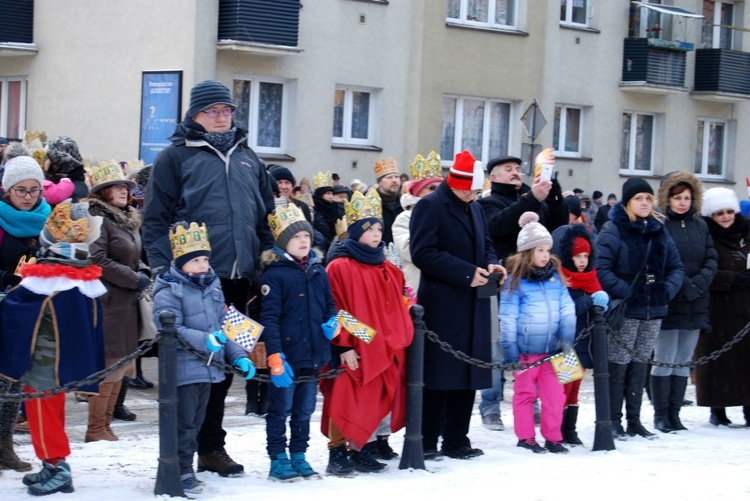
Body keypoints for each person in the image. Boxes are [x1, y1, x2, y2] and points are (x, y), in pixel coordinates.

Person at [143, 79, 275, 477]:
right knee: (193, 372)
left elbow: (265, 217)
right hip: (194, 283)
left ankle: (210, 447)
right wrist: (165, 271)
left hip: (239, 281)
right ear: (194, 116)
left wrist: (266, 258)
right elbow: (154, 221)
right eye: (212, 111)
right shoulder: (176, 157)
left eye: (227, 110)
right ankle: (181, 452)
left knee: (222, 368)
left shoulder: (250, 157)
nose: (221, 117)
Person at [0, 200, 106, 496]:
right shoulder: (77, 279)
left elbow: (18, 306)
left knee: (42, 413)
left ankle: (57, 466)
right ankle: (51, 464)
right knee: (46, 412)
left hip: (45, 362)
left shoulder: (52, 280)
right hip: (55, 361)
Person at [410, 150, 505, 460]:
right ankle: (427, 441)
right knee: (440, 376)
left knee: (468, 372)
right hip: (444, 303)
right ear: (458, 184)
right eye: (472, 189)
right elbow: (423, 253)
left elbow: (486, 244)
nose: (475, 195)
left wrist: (492, 265)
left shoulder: (474, 208)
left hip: (474, 301)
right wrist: (466, 273)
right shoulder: (430, 206)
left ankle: (456, 438)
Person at [153, 222, 254, 495]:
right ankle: (180, 469)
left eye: (205, 259)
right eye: (195, 260)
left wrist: (238, 356)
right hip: (184, 368)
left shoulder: (213, 287)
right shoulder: (170, 290)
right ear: (181, 262)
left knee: (197, 422)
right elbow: (170, 326)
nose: (202, 265)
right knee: (184, 423)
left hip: (210, 370)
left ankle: (187, 465)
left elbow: (226, 327)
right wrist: (204, 340)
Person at [321, 189, 414, 475]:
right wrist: (350, 344)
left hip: (383, 346)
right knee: (344, 396)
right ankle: (336, 451)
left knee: (373, 398)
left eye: (378, 228)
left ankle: (358, 449)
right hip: (354, 347)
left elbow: (394, 307)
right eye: (369, 229)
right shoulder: (339, 266)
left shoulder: (389, 269)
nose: (375, 233)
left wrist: (388, 340)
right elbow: (336, 309)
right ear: (354, 232)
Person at [476, 154, 567, 432]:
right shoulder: (486, 203)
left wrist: (554, 191)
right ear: (494, 177)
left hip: (531, 286)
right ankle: (490, 406)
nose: (516, 173)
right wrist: (530, 199)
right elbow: (498, 225)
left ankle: (532, 400)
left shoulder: (531, 199)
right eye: (508, 169)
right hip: (499, 285)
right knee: (495, 349)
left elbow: (558, 223)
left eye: (518, 168)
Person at [595, 177, 684, 439]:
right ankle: (613, 420)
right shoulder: (614, 229)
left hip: (653, 310)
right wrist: (628, 293)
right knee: (619, 364)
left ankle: (634, 420)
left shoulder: (660, 229)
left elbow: (676, 267)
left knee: (639, 365)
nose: (644, 203)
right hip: (626, 311)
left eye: (647, 198)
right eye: (638, 199)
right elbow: (602, 269)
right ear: (627, 203)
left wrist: (664, 292)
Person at [259, 205, 337, 482]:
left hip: (313, 354)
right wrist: (275, 356)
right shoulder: (274, 275)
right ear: (283, 244)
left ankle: (299, 455)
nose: (304, 241)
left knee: (304, 411)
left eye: (306, 235)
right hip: (287, 357)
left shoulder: (319, 270)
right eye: (296, 238)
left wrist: (331, 322)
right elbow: (270, 318)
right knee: (281, 410)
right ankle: (278, 458)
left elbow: (329, 304)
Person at [85, 161, 151, 441]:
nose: (124, 190)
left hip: (128, 302)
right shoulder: (99, 219)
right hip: (108, 303)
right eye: (117, 186)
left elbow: (136, 257)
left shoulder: (127, 218)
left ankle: (106, 424)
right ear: (102, 192)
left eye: (126, 185)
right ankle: (96, 428)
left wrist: (144, 272)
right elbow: (97, 259)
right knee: (110, 366)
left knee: (122, 365)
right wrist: (133, 278)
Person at [501, 212, 576, 454]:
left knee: (555, 396)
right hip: (526, 351)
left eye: (547, 250)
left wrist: (566, 338)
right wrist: (510, 350)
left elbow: (567, 309)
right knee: (525, 394)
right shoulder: (515, 281)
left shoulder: (556, 279)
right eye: (539, 250)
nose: (545, 255)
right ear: (527, 252)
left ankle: (553, 437)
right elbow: (507, 317)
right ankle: (526, 437)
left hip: (555, 351)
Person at [650, 172, 717, 433]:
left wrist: (697, 285)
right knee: (665, 359)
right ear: (668, 198)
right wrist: (680, 285)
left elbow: (710, 259)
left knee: (683, 359)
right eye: (677, 197)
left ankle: (675, 413)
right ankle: (661, 414)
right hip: (670, 300)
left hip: (695, 301)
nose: (682, 202)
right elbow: (657, 260)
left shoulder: (701, 226)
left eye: (687, 197)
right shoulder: (660, 224)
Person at [0, 156, 52, 473]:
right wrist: (7, 278)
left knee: (14, 381)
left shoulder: (47, 220)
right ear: (8, 190)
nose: (28, 196)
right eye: (21, 190)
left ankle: (4, 444)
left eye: (34, 190)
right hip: (3, 303)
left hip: (30, 310)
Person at [694, 187, 750, 426]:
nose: (725, 217)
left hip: (746, 307)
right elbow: (700, 270)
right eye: (719, 213)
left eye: (729, 211)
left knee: (747, 362)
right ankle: (718, 408)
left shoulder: (746, 231)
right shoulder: (705, 235)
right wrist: (731, 278)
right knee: (718, 362)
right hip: (717, 307)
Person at [551, 223, 610, 445]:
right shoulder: (561, 278)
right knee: (564, 386)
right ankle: (557, 429)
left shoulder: (591, 278)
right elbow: (567, 309)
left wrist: (603, 302)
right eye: (577, 256)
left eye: (586, 255)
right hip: (565, 343)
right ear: (569, 256)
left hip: (584, 342)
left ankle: (570, 429)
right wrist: (589, 301)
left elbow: (602, 307)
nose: (582, 261)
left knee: (575, 387)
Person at [392, 151, 442, 293]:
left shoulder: (447, 214)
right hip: (419, 286)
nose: (437, 193)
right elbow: (411, 252)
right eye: (432, 188)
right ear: (417, 191)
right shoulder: (405, 218)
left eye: (441, 188)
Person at [44, 136, 89, 201]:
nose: (44, 162)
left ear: (60, 162)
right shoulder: (58, 181)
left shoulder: (73, 193)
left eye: (47, 158)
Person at [311, 170, 344, 256]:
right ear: (320, 194)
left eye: (332, 193)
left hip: (334, 248)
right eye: (328, 193)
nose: (331, 196)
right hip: (318, 248)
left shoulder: (334, 207)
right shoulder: (313, 209)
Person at [373, 157, 403, 245]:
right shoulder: (371, 204)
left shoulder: (405, 204)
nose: (394, 180)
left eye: (397, 177)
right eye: (389, 177)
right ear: (379, 183)